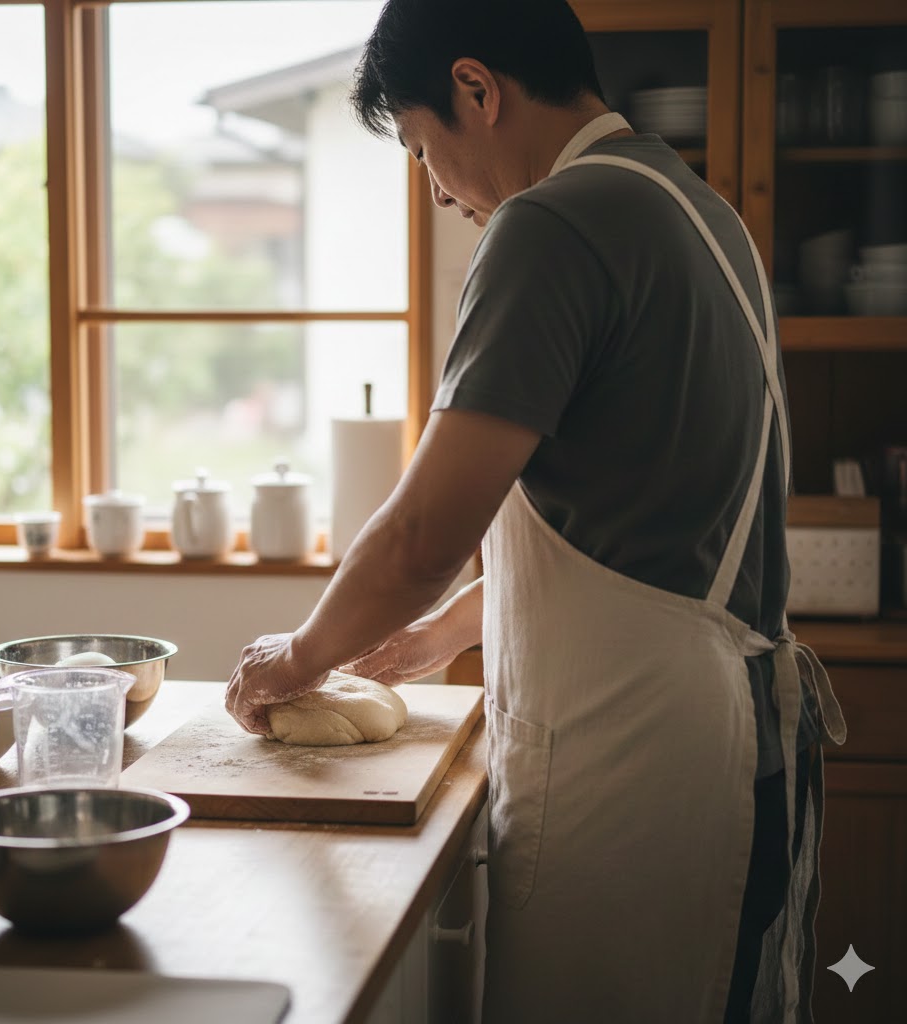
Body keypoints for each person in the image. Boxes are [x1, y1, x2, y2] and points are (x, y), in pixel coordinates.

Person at [224, 1, 847, 1020]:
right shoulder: (694, 208)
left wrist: (292, 660)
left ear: (477, 88)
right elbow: (643, 510)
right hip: (721, 733)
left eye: (425, 150)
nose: (434, 193)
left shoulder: (551, 223)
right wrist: (448, 632)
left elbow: (425, 533)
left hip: (634, 756)